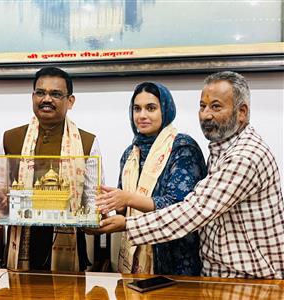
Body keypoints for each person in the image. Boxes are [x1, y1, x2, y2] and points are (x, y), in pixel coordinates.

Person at [91, 71, 284, 279]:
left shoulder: (242, 157)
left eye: (216, 106)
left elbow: (192, 210)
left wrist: (127, 223)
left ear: (242, 112)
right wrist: (104, 211)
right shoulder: (220, 150)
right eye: (202, 106)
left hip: (247, 279)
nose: (206, 114)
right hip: (217, 274)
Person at [96, 82, 206, 275]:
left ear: (166, 110)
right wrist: (103, 212)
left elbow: (179, 206)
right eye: (137, 109)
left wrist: (127, 198)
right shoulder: (130, 153)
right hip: (134, 258)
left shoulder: (182, 148)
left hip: (174, 260)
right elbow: (125, 211)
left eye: (151, 108)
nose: (142, 115)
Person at [0, 66, 103, 272]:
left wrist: (93, 218)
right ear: (32, 97)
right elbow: (1, 192)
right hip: (22, 242)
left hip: (70, 243)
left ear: (70, 101)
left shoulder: (87, 141)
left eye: (55, 94)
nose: (46, 99)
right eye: (40, 93)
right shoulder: (11, 138)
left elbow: (92, 197)